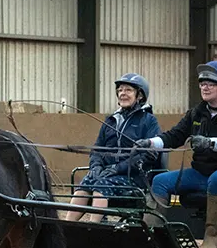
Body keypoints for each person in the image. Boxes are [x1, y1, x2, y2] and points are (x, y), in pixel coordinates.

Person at [134, 61, 217, 248]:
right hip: (202, 174)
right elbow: (174, 136)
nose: (204, 87)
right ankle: (151, 237)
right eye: (202, 83)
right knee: (160, 181)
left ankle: (211, 240)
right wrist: (150, 142)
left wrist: (209, 142)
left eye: (211, 84)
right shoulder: (196, 113)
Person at [65, 73, 161, 222]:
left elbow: (148, 155)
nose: (122, 93)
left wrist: (118, 168)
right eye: (120, 90)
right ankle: (67, 226)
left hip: (133, 177)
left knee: (101, 185)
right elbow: (97, 149)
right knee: (87, 181)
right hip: (107, 173)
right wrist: (96, 166)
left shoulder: (149, 121)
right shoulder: (110, 121)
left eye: (128, 90)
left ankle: (93, 226)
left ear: (140, 95)